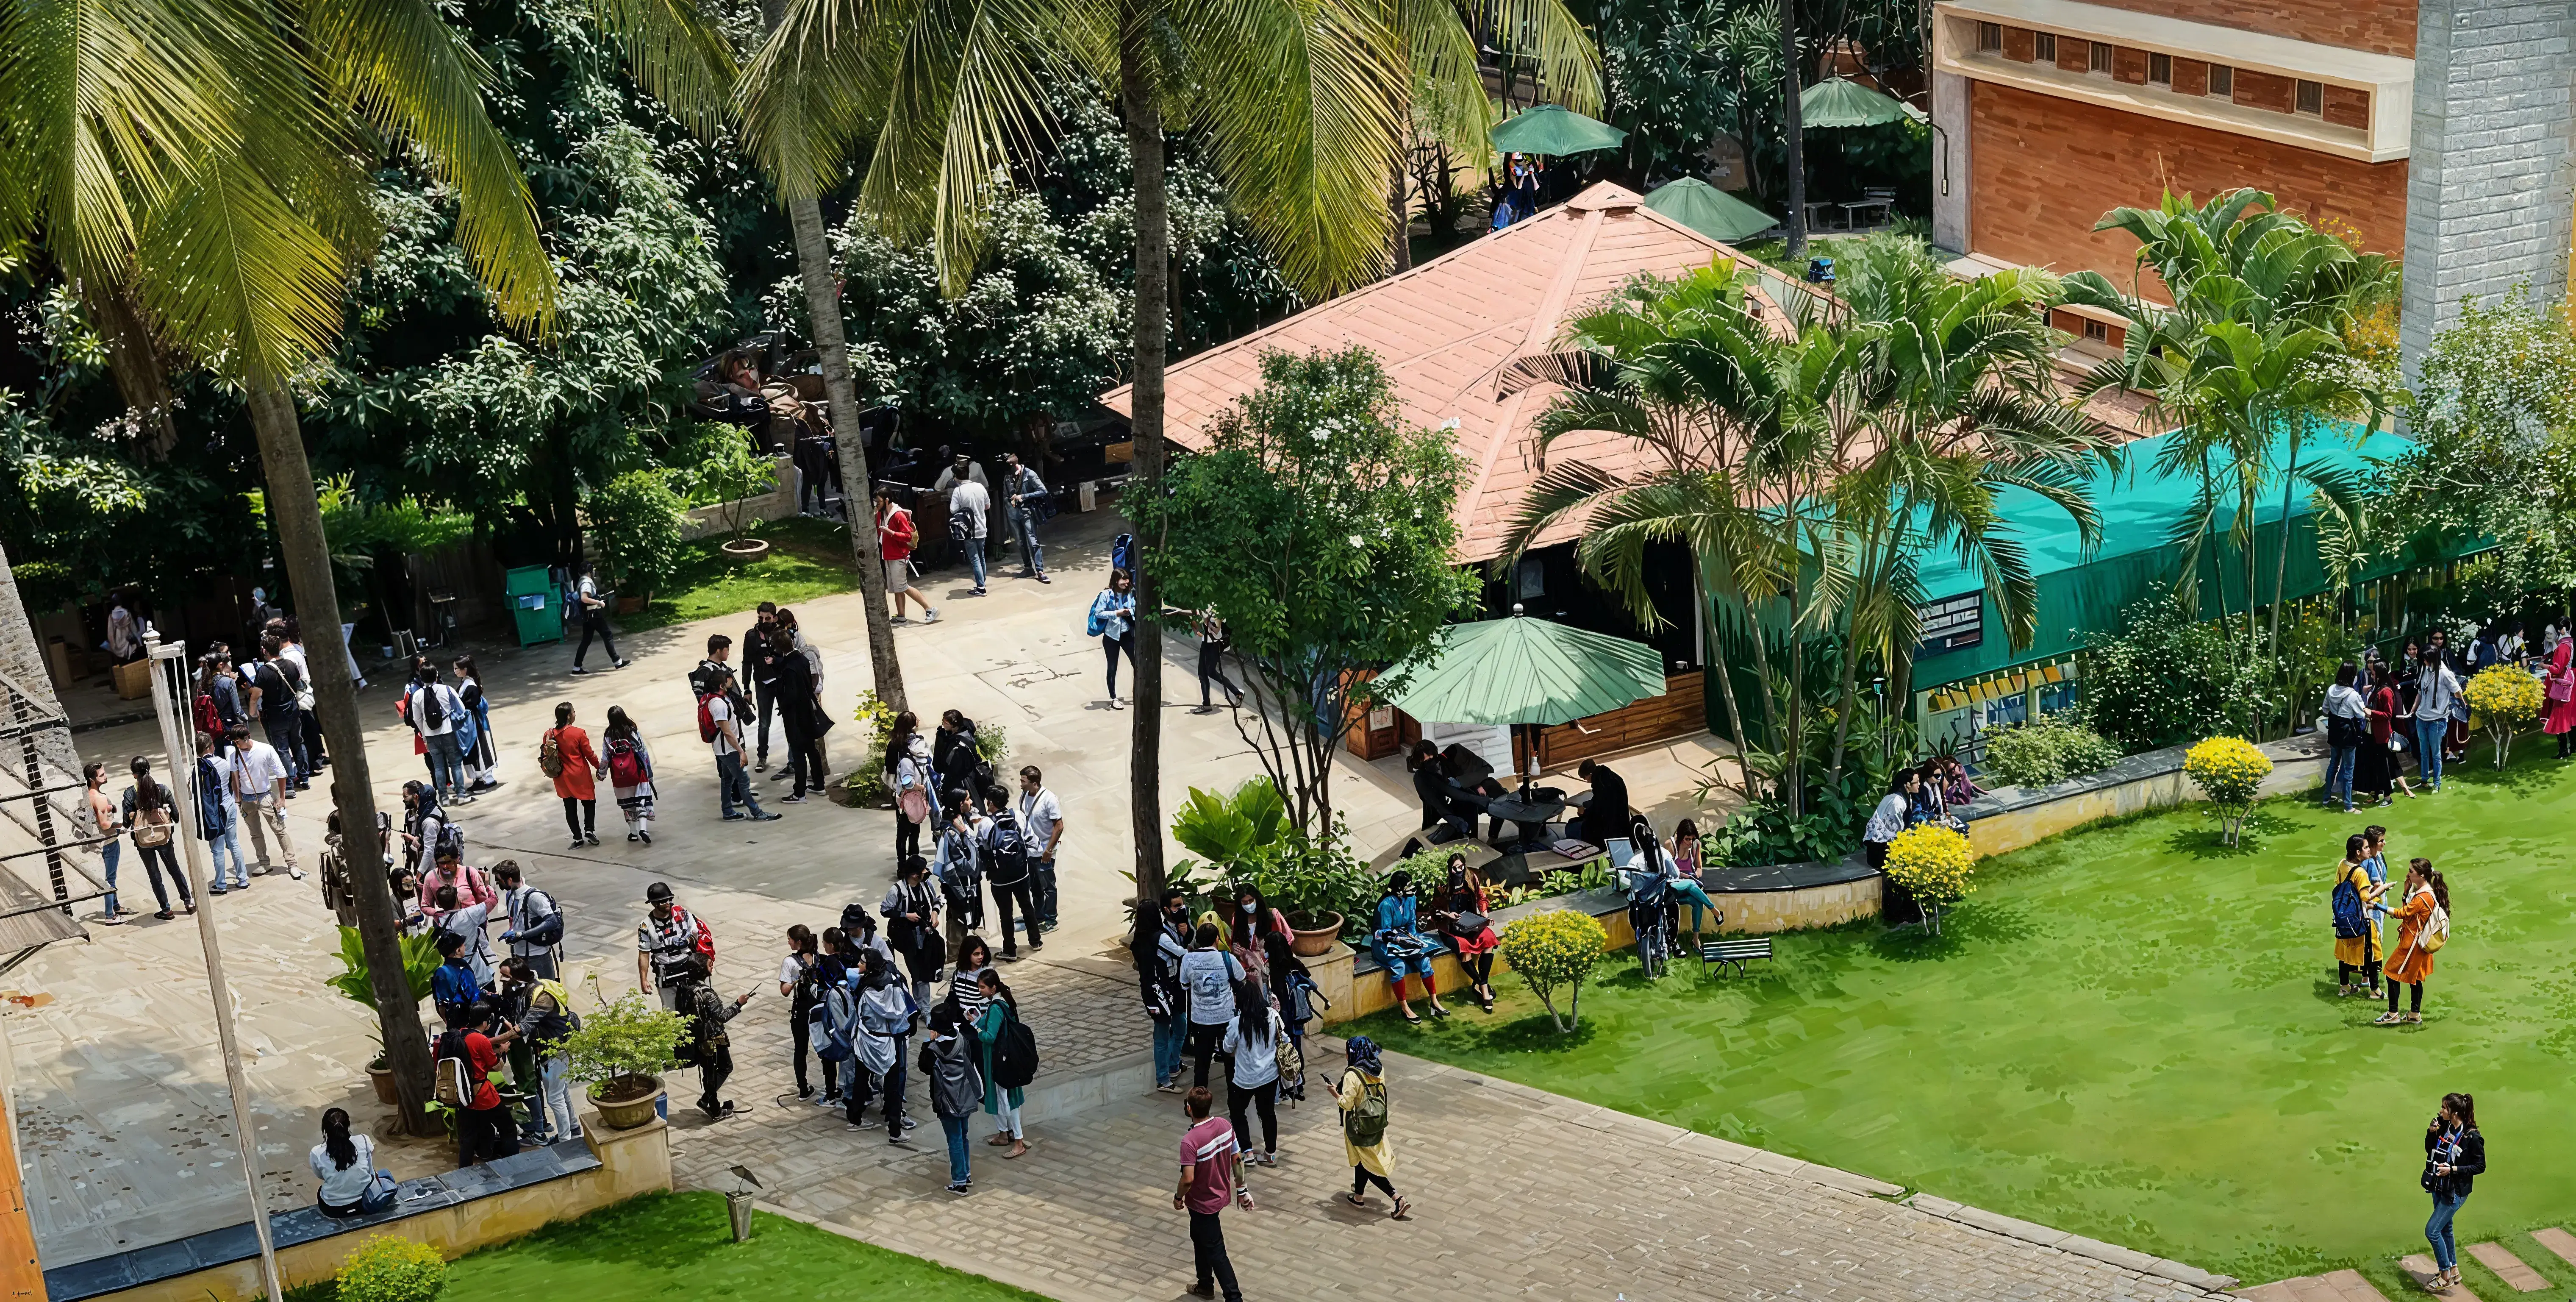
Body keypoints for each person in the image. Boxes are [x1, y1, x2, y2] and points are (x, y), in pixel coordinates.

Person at [1175, 1085, 1252, 1302]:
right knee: (1198, 1237)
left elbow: (1188, 1179)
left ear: (1189, 1109)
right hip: (1220, 1196)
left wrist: (1178, 1197)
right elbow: (1237, 1159)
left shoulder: (1190, 1141)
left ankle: (1234, 1297)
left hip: (1202, 1203)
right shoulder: (1225, 1126)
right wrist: (1241, 1188)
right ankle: (1205, 1285)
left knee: (1216, 1251)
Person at [439, 1002, 520, 1167]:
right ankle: (513, 1166)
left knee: (468, 1137)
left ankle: (466, 1171)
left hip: (462, 1095)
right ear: (485, 1023)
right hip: (483, 1096)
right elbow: (497, 1067)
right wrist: (503, 1051)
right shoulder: (480, 1040)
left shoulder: (458, 1034)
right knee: (508, 1128)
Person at [1335, 1036, 1408, 1219]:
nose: (1345, 1055)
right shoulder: (1378, 1068)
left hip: (1360, 1127)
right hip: (1376, 1121)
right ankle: (1358, 1197)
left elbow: (1347, 1104)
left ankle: (1398, 1198)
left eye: (1347, 1051)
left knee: (1368, 1165)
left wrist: (1335, 1094)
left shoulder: (1352, 1075)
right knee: (1362, 1160)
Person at [508, 958, 580, 1143]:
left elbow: (524, 1028)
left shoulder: (541, 996)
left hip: (557, 1050)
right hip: (555, 1047)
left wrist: (490, 1041)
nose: (502, 980)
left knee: (555, 1098)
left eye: (505, 977)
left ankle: (566, 1141)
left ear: (517, 979)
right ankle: (574, 1129)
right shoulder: (531, 988)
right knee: (562, 1092)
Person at [2419, 1092, 2484, 1290]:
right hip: (2440, 1186)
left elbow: (2480, 1166)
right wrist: (2431, 1132)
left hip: (2455, 1192)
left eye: (2445, 1108)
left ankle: (2445, 1274)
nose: (2441, 1111)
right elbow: (2430, 1150)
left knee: (2432, 1231)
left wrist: (2454, 1169)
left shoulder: (2472, 1137)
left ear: (2455, 1113)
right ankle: (2454, 1270)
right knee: (2445, 1228)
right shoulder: (2445, 1126)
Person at [852, 951, 918, 1143]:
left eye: (862, 962)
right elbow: (902, 1019)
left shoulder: (864, 991)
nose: (859, 964)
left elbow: (860, 1015)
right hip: (887, 1043)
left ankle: (855, 1119)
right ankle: (895, 1132)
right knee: (893, 1086)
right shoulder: (895, 990)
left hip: (866, 1041)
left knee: (861, 1079)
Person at [674, 960, 751, 1120]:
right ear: (702, 970)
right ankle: (710, 1103)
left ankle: (711, 1105)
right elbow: (722, 1016)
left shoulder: (686, 987)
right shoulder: (707, 993)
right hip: (713, 1039)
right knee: (725, 1068)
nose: (713, 965)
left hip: (698, 1039)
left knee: (708, 1073)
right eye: (710, 964)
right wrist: (739, 1004)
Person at [922, 999, 985, 1194]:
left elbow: (924, 1067)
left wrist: (931, 1043)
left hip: (946, 1102)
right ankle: (966, 1174)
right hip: (965, 1097)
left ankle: (959, 1183)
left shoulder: (933, 1050)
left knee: (954, 1140)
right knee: (963, 1137)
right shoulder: (962, 1039)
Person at [701, 665, 777, 822]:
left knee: (727, 780)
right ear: (721, 686)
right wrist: (741, 752)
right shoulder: (719, 704)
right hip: (729, 750)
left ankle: (728, 812)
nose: (730, 680)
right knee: (744, 781)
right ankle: (757, 813)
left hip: (724, 750)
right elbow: (727, 732)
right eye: (727, 679)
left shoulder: (716, 697)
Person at [2378, 857, 2448, 1026]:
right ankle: (2414, 1014)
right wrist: (2406, 891)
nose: (2408, 874)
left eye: (2411, 872)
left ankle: (2393, 1013)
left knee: (2390, 973)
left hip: (2412, 944)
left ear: (2422, 876)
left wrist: (2377, 906)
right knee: (2415, 978)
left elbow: (2402, 914)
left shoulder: (2422, 897)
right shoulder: (2426, 892)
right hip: (2418, 944)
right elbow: (2410, 911)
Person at [1135, 888, 1193, 1092]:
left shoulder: (1140, 939)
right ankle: (1163, 1079)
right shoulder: (1159, 937)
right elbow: (1182, 954)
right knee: (1162, 1036)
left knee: (1180, 1026)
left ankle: (1174, 1065)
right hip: (1160, 993)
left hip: (1165, 990)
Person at [1371, 871, 1448, 1024]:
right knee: (1398, 966)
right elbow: (1384, 930)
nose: (1411, 887)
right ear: (1399, 888)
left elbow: (1412, 922)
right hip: (1385, 943)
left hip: (1406, 938)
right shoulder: (1387, 903)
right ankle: (1405, 1008)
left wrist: (1414, 940)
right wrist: (1398, 940)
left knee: (1425, 960)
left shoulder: (1411, 898)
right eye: (1407, 885)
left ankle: (1434, 1001)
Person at [121, 756, 192, 920]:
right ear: (150, 769)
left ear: (134, 775)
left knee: (155, 876)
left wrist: (134, 816)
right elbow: (176, 816)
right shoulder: (162, 789)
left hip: (143, 842)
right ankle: (188, 902)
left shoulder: (130, 793)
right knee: (174, 869)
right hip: (164, 838)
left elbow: (126, 822)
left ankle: (166, 910)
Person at [1221, 978, 1282, 1166]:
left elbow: (1227, 1047)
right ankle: (1270, 1155)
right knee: (1268, 1113)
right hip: (1270, 1076)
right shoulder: (1273, 1016)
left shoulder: (1236, 1023)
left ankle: (1247, 1152)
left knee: (1237, 1111)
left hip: (1244, 1079)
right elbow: (1284, 1039)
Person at [979, 787, 1044, 960]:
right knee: (1027, 905)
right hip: (1022, 873)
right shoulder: (1018, 816)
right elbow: (1031, 839)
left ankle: (1009, 950)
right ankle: (1036, 941)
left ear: (991, 803)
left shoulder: (986, 823)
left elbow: (983, 848)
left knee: (1006, 914)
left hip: (1000, 879)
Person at [772, 608, 829, 801]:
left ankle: (800, 793)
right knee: (811, 750)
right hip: (808, 713)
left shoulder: (789, 669)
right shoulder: (802, 659)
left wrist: (782, 702)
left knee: (798, 754)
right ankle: (819, 784)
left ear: (779, 648)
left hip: (796, 718)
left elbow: (791, 695)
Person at [1430, 857, 1500, 1013]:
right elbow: (1434, 910)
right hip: (1449, 928)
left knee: (1489, 939)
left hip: (1471, 923)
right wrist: (1448, 915)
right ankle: (1484, 990)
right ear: (1450, 869)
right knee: (1465, 951)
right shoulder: (1443, 885)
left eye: (1461, 867)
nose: (1459, 871)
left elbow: (1482, 898)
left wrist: (1485, 916)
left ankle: (1481, 985)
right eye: (1455, 868)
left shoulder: (1471, 877)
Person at [1178, 922, 1244, 1087]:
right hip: (1226, 1020)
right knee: (1231, 1063)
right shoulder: (1228, 958)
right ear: (1217, 939)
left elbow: (1184, 985)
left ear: (1198, 940)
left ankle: (1199, 1101)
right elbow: (1242, 978)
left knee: (1202, 1065)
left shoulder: (1188, 959)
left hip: (1201, 1022)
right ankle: (1235, 1102)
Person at [972, 968, 1029, 1158]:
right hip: (1007, 1059)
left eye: (982, 987)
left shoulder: (996, 1008)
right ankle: (1004, 1135)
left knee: (1006, 1100)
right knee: (1007, 1098)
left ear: (992, 988)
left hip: (998, 1061)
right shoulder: (1004, 1003)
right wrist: (978, 1020)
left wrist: (975, 1027)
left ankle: (1018, 1142)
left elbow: (989, 1037)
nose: (980, 990)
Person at [405, 663, 472, 807]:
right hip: (449, 733)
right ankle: (461, 795)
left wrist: (424, 734)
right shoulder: (447, 690)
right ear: (436, 676)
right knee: (455, 765)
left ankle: (444, 798)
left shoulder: (417, 695)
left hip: (431, 736)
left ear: (422, 679)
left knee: (439, 767)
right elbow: (461, 708)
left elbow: (417, 718)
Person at [881, 856, 946, 1004]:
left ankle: (923, 1004)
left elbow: (938, 900)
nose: (926, 873)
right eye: (923, 871)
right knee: (917, 972)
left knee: (927, 969)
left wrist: (935, 913)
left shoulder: (927, 884)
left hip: (926, 936)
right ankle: (922, 1005)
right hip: (908, 939)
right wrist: (906, 916)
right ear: (915, 875)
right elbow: (885, 910)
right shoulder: (897, 890)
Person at [310, 1107, 397, 1217]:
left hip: (333, 1210)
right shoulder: (363, 1140)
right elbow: (372, 1172)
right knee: (385, 1174)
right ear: (348, 1125)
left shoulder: (316, 1152)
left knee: (322, 1191)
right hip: (366, 1202)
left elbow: (321, 1176)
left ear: (325, 1130)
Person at [637, 882, 711, 1011]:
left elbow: (697, 935)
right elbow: (644, 954)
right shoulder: (646, 926)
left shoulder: (682, 914)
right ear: (654, 904)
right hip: (666, 976)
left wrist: (687, 941)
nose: (668, 903)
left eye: (669, 900)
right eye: (663, 901)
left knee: (698, 1010)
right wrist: (644, 980)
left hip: (689, 971)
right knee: (670, 1015)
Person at [193, 731, 250, 893]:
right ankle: (243, 879)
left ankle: (221, 884)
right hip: (229, 804)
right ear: (211, 746)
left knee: (217, 849)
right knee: (234, 843)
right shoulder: (224, 763)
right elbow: (232, 782)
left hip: (214, 812)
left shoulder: (199, 769)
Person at [543, 702, 603, 849]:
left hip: (561, 777)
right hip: (579, 774)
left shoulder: (549, 734)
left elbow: (546, 754)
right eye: (574, 712)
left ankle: (577, 839)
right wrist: (599, 768)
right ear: (570, 716)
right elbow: (589, 754)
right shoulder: (579, 733)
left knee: (569, 808)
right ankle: (589, 829)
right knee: (589, 802)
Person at [875, 486, 938, 624]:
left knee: (903, 587)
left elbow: (908, 536)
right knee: (898, 589)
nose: (877, 504)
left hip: (898, 557)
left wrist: (891, 533)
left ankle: (930, 608)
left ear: (887, 500)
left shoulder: (898, 515)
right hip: (888, 556)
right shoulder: (881, 514)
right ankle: (901, 617)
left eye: (879, 502)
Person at [2331, 835, 2384, 998]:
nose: (2369, 851)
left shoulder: (2342, 864)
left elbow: (2339, 884)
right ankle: (2375, 990)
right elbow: (2366, 898)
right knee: (2374, 953)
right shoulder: (2361, 872)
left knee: (2345, 953)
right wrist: (2381, 890)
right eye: (2367, 848)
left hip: (2344, 917)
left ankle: (2345, 987)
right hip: (2362, 919)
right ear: (2358, 852)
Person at [493, 861, 562, 981]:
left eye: (500, 881)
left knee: (546, 994)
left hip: (538, 958)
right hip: (519, 957)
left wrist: (522, 935)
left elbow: (552, 921)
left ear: (510, 880)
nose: (498, 883)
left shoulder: (535, 897)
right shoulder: (511, 894)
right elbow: (516, 921)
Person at [1016, 766, 1064, 933]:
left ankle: (1052, 921)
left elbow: (1059, 827)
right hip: (1030, 849)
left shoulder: (1049, 800)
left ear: (1035, 784)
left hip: (1045, 850)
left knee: (1048, 886)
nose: (1020, 785)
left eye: (1024, 781)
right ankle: (1039, 916)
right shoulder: (1024, 795)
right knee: (1035, 885)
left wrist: (1049, 850)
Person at [601, 705, 656, 843]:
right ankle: (644, 829)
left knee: (628, 805)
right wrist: (649, 771)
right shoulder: (632, 732)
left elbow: (605, 758)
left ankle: (633, 833)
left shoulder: (608, 736)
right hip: (637, 774)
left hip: (619, 777)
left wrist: (601, 774)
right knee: (642, 801)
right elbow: (643, 752)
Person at [2320, 662, 2368, 813]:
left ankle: (2326, 798)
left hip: (2334, 729)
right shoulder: (2353, 694)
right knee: (2348, 770)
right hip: (2348, 732)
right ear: (2351, 675)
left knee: (2333, 764)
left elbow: (2325, 710)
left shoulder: (2331, 689)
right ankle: (2348, 806)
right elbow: (2361, 715)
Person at [2357, 665, 2409, 805]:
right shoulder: (2377, 689)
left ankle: (2388, 798)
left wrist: (2370, 713)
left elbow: (2388, 715)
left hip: (2382, 735)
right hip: (2372, 734)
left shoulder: (2386, 692)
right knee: (2374, 766)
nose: (2372, 676)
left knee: (2383, 768)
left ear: (2380, 674)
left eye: (2374, 673)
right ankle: (2375, 795)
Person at [83, 762, 128, 924]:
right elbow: (104, 825)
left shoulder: (89, 795)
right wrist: (119, 827)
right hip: (109, 842)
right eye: (101, 775)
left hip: (101, 843)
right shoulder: (100, 798)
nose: (105, 776)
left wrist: (110, 809)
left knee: (111, 878)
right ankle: (111, 915)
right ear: (92, 779)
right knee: (110, 880)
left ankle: (116, 906)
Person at [2412, 647, 2461, 790]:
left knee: (2436, 754)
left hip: (2437, 720)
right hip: (2422, 718)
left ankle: (2437, 784)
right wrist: (2413, 710)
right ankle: (2424, 781)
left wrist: (2464, 706)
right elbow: (2420, 692)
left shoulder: (2445, 673)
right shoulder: (2425, 670)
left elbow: (2457, 691)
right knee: (2424, 753)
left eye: (2426, 658)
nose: (2424, 661)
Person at [744, 604, 786, 772]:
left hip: (781, 681)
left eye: (767, 618)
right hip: (762, 684)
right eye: (761, 618)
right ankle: (762, 757)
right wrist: (747, 688)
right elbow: (747, 662)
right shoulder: (751, 635)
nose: (763, 621)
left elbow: (790, 657)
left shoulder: (781, 633)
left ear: (775, 618)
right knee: (764, 723)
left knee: (790, 719)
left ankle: (794, 758)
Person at [888, 712, 934, 861]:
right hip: (919, 790)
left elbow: (889, 767)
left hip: (901, 793)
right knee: (916, 823)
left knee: (902, 832)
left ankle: (902, 865)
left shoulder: (894, 744)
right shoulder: (919, 744)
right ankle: (914, 856)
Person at [1089, 569, 1138, 709]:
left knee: (1137, 664)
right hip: (1111, 636)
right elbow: (1099, 613)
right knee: (1112, 667)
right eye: (1124, 580)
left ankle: (1137, 691)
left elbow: (1135, 607)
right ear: (1116, 580)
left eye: (1127, 580)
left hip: (1126, 633)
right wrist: (1117, 613)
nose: (1126, 583)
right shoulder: (1106, 594)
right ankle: (1114, 698)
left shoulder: (1129, 593)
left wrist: (1129, 612)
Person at [1000, 451, 1050, 583]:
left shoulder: (1029, 474)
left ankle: (1040, 570)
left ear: (1016, 466)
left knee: (1033, 541)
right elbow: (1005, 496)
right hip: (1014, 514)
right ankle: (1028, 568)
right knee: (1021, 543)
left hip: (1028, 513)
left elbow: (1043, 491)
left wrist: (1024, 496)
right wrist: (1010, 501)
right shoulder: (1007, 478)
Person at [452, 655, 500, 793]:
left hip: (471, 723)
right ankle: (487, 779)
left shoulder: (470, 686)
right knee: (480, 748)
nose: (454, 671)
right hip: (474, 721)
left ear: (465, 670)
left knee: (475, 750)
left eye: (456, 669)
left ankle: (479, 781)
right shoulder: (469, 683)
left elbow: (468, 705)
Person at [569, 562, 628, 673]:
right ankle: (617, 662)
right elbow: (584, 598)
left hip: (587, 615)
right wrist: (599, 603)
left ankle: (577, 668)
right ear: (589, 572)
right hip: (593, 614)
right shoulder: (586, 582)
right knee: (608, 635)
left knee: (586, 640)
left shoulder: (581, 581)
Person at [949, 467, 992, 595]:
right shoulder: (980, 487)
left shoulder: (958, 491)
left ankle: (981, 588)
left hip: (968, 530)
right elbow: (988, 505)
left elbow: (953, 510)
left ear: (956, 477)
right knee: (981, 557)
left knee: (974, 559)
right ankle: (982, 582)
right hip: (982, 527)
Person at [1573, 758, 1630, 847]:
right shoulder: (1609, 776)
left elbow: (1599, 810)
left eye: (1584, 777)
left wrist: (1585, 812)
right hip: (1623, 825)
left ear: (1590, 774)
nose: (1585, 780)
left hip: (1611, 830)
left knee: (1573, 829)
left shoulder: (1601, 784)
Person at [1192, 610, 1241, 713]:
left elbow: (1217, 632)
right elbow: (1193, 615)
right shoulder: (1202, 606)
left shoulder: (1215, 608)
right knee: (1211, 673)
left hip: (1214, 645)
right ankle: (1237, 693)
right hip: (1207, 643)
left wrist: (1207, 622)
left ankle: (1206, 705)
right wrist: (1195, 628)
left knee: (1203, 673)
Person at [2547, 629, 2576, 759]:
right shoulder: (2572, 645)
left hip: (2565, 685)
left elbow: (2557, 669)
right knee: (2572, 717)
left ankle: (2564, 750)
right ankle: (2574, 747)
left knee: (2559, 717)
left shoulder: (2563, 647)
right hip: (2574, 682)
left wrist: (2545, 666)